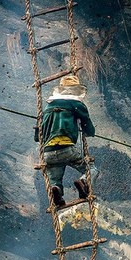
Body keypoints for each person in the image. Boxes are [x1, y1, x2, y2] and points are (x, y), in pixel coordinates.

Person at [36, 75, 99, 206]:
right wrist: (88, 132)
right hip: (65, 148)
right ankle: (84, 182)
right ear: (75, 90)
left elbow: (37, 137)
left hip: (48, 153)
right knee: (91, 168)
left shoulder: (46, 108)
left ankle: (56, 192)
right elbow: (88, 127)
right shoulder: (75, 104)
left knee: (54, 179)